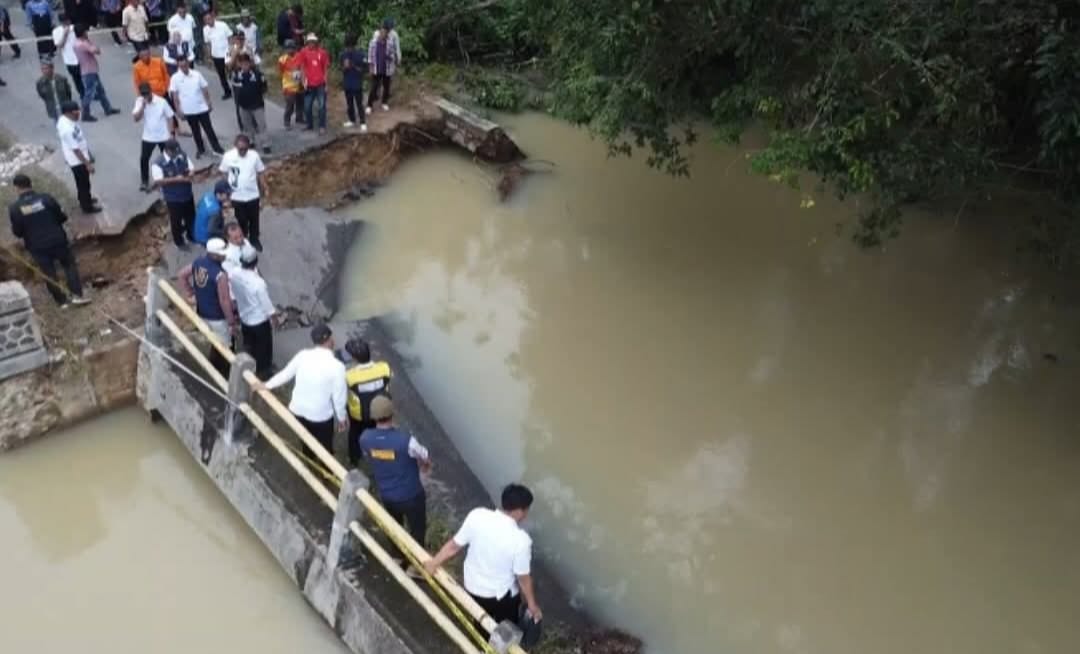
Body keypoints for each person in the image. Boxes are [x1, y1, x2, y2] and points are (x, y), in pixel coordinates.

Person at [425, 484, 542, 626]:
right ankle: (499, 635)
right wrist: (532, 604)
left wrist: (433, 563)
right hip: (496, 596)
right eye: (526, 510)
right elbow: (523, 578)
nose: (526, 514)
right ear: (519, 511)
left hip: (471, 586)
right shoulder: (521, 541)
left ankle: (479, 631)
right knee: (506, 622)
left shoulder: (477, 515)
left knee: (479, 620)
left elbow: (454, 546)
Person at [256, 323, 348, 458]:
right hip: (320, 416)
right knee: (325, 446)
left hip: (297, 410)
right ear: (329, 340)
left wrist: (267, 385)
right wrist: (341, 418)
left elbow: (285, 374)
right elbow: (339, 398)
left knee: (306, 439)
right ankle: (326, 465)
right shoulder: (337, 366)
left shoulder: (302, 355)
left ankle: (308, 456)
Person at [359, 396, 431, 561]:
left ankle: (397, 556)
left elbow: (368, 455)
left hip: (388, 495)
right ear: (392, 414)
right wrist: (425, 466)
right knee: (417, 530)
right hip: (412, 495)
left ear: (373, 416)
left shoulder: (365, 438)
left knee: (393, 527)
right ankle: (417, 563)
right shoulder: (406, 441)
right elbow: (424, 456)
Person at [7, 174, 91, 307]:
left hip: (37, 246)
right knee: (69, 265)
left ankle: (62, 302)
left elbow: (18, 232)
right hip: (57, 240)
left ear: (16, 188)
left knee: (48, 272)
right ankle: (77, 296)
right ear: (31, 184)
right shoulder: (46, 198)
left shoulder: (15, 208)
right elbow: (62, 217)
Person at [177, 237, 236, 377]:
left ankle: (213, 368)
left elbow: (181, 275)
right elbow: (224, 300)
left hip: (202, 311)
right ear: (214, 255)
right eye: (222, 254)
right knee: (226, 347)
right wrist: (231, 322)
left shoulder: (198, 262)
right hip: (217, 317)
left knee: (211, 340)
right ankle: (223, 374)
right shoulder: (220, 275)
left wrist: (190, 293)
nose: (224, 256)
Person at [229, 243, 276, 378]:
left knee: (249, 344)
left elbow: (233, 292)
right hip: (259, 320)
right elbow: (266, 304)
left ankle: (248, 367)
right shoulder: (258, 283)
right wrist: (273, 318)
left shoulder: (234, 273)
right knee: (264, 348)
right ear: (255, 261)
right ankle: (263, 372)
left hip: (245, 317)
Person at [342, 338, 391, 465]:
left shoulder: (350, 376)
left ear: (354, 358)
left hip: (359, 415)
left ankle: (354, 459)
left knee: (354, 434)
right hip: (379, 410)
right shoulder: (384, 368)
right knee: (379, 434)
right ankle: (379, 457)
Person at [169, 56, 224, 158]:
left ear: (188, 63)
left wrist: (208, 102)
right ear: (178, 66)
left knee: (209, 129)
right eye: (181, 66)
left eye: (185, 65)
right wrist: (178, 110)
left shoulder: (197, 74)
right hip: (188, 110)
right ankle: (201, 149)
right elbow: (175, 96)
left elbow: (204, 88)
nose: (184, 68)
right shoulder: (175, 78)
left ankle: (217, 148)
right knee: (195, 131)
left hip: (202, 107)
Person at [218, 134, 266, 250]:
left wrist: (263, 189)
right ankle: (243, 238)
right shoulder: (228, 156)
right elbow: (223, 173)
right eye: (241, 149)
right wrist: (226, 192)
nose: (243, 151)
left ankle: (254, 239)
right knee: (242, 219)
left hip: (252, 195)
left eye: (245, 149)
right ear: (235, 146)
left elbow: (260, 172)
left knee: (254, 219)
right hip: (236, 196)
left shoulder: (254, 156)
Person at [56, 101, 101, 213]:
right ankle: (87, 207)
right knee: (84, 184)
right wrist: (88, 164)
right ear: (68, 113)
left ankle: (84, 199)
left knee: (82, 183)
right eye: (75, 113)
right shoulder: (67, 129)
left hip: (78, 157)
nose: (78, 114)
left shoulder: (65, 120)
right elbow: (76, 150)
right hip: (77, 161)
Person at [151, 139, 195, 247]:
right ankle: (179, 242)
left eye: (178, 151)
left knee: (191, 217)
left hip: (187, 194)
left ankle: (191, 236)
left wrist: (191, 172)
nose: (177, 154)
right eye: (175, 152)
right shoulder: (158, 164)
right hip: (173, 198)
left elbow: (191, 167)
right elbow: (158, 181)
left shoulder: (182, 155)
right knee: (176, 221)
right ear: (167, 151)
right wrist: (176, 179)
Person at [133, 82, 174, 191]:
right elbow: (136, 118)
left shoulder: (161, 101)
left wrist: (171, 133)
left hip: (163, 136)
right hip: (148, 136)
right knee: (144, 158)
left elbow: (170, 116)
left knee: (167, 158)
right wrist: (142, 107)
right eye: (143, 94)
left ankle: (169, 178)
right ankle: (144, 181)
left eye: (147, 93)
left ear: (151, 91)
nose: (146, 96)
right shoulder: (139, 101)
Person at [74, 23, 120, 121]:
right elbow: (96, 51)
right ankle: (85, 114)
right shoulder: (83, 44)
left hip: (89, 70)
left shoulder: (76, 43)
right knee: (89, 94)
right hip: (89, 71)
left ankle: (107, 109)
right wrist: (91, 43)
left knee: (100, 91)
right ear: (83, 33)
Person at [230, 54, 268, 153]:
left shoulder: (258, 74)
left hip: (257, 105)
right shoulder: (236, 76)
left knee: (261, 125)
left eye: (246, 63)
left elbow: (264, 87)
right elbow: (235, 90)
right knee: (247, 126)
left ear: (250, 63)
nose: (244, 66)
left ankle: (265, 144)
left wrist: (260, 98)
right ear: (239, 64)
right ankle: (251, 141)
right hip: (243, 106)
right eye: (242, 64)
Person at [296, 33, 329, 134]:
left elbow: (325, 69)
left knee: (322, 106)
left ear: (315, 42)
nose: (311, 44)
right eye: (309, 42)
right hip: (309, 84)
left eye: (313, 42)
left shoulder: (322, 53)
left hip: (320, 84)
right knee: (307, 106)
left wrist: (326, 84)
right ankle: (309, 124)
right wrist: (303, 81)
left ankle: (322, 126)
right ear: (307, 42)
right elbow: (301, 67)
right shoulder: (303, 52)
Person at [367, 19, 399, 113]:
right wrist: (370, 67)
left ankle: (384, 102)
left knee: (386, 86)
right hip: (377, 68)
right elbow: (370, 56)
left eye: (385, 33)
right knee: (374, 87)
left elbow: (393, 54)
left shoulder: (390, 43)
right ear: (379, 33)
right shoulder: (373, 42)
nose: (384, 34)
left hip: (387, 68)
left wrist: (391, 57)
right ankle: (369, 105)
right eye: (382, 32)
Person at [51, 13, 83, 98]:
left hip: (81, 58)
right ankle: (82, 93)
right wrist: (65, 35)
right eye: (64, 22)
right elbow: (59, 46)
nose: (66, 23)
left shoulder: (75, 28)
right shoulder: (56, 31)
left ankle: (90, 92)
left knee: (86, 77)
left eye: (67, 21)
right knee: (76, 78)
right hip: (70, 60)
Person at [202, 11, 232, 99]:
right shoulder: (205, 29)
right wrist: (208, 56)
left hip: (227, 53)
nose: (208, 21)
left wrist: (231, 50)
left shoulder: (222, 25)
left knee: (231, 71)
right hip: (216, 55)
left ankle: (238, 88)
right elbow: (208, 43)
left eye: (209, 19)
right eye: (206, 20)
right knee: (221, 74)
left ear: (213, 17)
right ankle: (227, 91)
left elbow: (230, 37)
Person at [340, 33, 366, 132]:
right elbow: (342, 69)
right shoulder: (343, 55)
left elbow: (364, 70)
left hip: (357, 83)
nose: (349, 48)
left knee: (359, 104)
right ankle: (352, 120)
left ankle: (363, 122)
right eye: (348, 46)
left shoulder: (360, 54)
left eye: (350, 46)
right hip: (348, 83)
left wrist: (354, 66)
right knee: (349, 104)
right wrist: (345, 67)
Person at [192, 179, 231, 245]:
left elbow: (198, 205)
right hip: (205, 238)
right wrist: (226, 233)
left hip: (197, 232)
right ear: (219, 194)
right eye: (227, 194)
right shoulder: (215, 211)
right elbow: (211, 230)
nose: (229, 196)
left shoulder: (207, 195)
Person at [277, 39, 304, 129]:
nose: (290, 50)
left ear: (295, 48)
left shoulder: (299, 56)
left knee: (300, 102)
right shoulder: (282, 60)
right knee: (290, 104)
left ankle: (299, 118)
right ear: (285, 49)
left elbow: (302, 68)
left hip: (299, 83)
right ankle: (287, 120)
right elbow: (280, 72)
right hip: (288, 85)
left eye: (292, 48)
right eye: (288, 48)